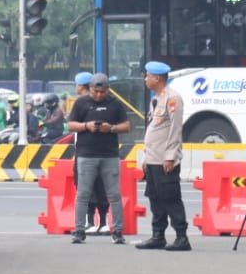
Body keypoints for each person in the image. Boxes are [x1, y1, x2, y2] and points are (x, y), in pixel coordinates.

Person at [67, 72, 130, 244]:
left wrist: (110, 129)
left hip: (109, 154)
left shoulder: (115, 104)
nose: (99, 95)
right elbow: (71, 124)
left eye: (103, 92)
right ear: (90, 89)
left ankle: (117, 230)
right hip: (86, 154)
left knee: (114, 194)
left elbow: (126, 126)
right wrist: (86, 126)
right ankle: (79, 230)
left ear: (108, 90)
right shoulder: (81, 103)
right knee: (83, 194)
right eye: (96, 92)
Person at [137, 60, 190, 251]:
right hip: (153, 158)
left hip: (164, 159)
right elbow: (154, 130)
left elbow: (175, 130)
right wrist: (145, 158)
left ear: (157, 78)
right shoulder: (157, 98)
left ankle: (181, 237)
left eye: (148, 76)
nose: (145, 79)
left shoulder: (173, 98)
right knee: (155, 198)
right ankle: (158, 235)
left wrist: (170, 156)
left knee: (170, 198)